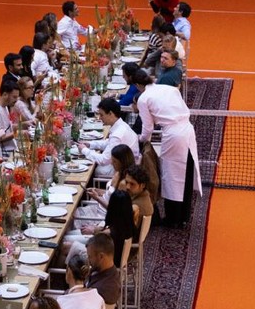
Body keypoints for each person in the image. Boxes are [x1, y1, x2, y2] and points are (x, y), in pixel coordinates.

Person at [138, 80, 201, 228]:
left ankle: (173, 218)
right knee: (185, 175)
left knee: (171, 178)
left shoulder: (144, 98)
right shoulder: (168, 88)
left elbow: (148, 128)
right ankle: (183, 216)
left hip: (173, 136)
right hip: (186, 130)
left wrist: (141, 140)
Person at [84, 95, 140, 166]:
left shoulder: (117, 135)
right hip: (126, 164)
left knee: (91, 167)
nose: (99, 118)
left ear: (110, 113)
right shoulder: (122, 125)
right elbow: (109, 143)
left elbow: (103, 160)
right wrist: (90, 144)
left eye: (101, 115)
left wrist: (84, 151)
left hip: (123, 170)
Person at [85, 231, 120, 309]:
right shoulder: (108, 273)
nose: (88, 260)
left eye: (90, 257)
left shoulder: (102, 290)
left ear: (101, 256)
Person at [0, 74, 20, 154]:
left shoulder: (5, 106)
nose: (16, 100)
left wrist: (23, 126)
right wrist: (18, 133)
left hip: (12, 149)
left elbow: (7, 128)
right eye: (14, 97)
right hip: (3, 153)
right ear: (5, 94)